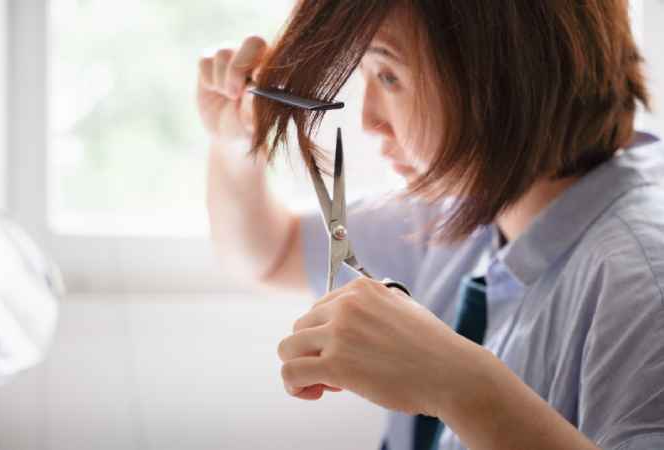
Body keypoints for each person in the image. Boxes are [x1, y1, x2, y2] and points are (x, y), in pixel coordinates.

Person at [198, 1, 664, 449]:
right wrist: (234, 141)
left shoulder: (641, 279)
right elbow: (269, 254)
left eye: (388, 75)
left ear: (503, 71)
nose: (369, 120)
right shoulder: (463, 202)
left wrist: (459, 385)